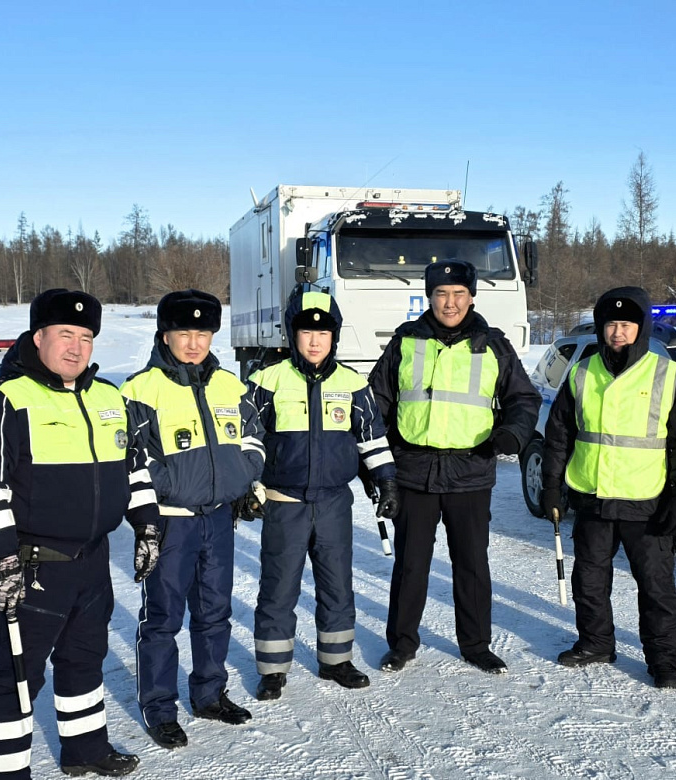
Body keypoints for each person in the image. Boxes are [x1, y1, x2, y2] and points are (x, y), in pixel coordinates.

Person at [0, 289, 159, 779]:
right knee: (15, 677)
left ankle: (85, 751)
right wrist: (1, 559)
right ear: (39, 337)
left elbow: (134, 469)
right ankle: (5, 774)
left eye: (86, 337)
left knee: (84, 661)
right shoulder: (6, 399)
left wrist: (147, 525)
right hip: (34, 566)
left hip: (93, 562)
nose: (76, 347)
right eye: (65, 334)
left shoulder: (109, 397)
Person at [368, 259, 539, 674]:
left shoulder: (493, 344)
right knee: (411, 564)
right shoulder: (405, 341)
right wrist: (377, 463)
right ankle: (402, 644)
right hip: (414, 471)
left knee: (472, 564)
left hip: (471, 471)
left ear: (471, 297)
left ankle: (476, 645)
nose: (450, 302)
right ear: (429, 298)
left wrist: (511, 434)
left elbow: (523, 398)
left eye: (458, 294)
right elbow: (377, 402)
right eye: (441, 294)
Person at [119, 289, 265, 748]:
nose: (194, 343)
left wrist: (242, 478)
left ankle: (209, 694)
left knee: (215, 612)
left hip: (219, 520)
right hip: (171, 522)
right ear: (165, 335)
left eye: (203, 333)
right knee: (162, 618)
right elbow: (132, 458)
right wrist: (173, 488)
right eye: (184, 333)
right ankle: (160, 708)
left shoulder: (230, 386)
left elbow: (254, 439)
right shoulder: (139, 390)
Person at [539, 287, 676, 689]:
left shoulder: (666, 374)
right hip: (592, 496)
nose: (618, 332)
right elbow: (559, 436)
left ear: (641, 328)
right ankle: (595, 643)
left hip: (646, 500)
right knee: (589, 580)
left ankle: (663, 661)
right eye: (611, 324)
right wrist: (552, 487)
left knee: (656, 587)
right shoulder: (581, 372)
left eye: (627, 324)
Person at [246, 287, 399, 701]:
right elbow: (247, 440)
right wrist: (247, 486)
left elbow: (371, 437)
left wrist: (386, 480)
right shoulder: (266, 381)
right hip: (284, 502)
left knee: (337, 584)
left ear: (334, 336)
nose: (315, 341)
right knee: (279, 586)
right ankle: (273, 669)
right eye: (306, 332)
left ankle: (336, 660)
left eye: (324, 333)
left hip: (333, 503)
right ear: (292, 334)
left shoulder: (352, 383)